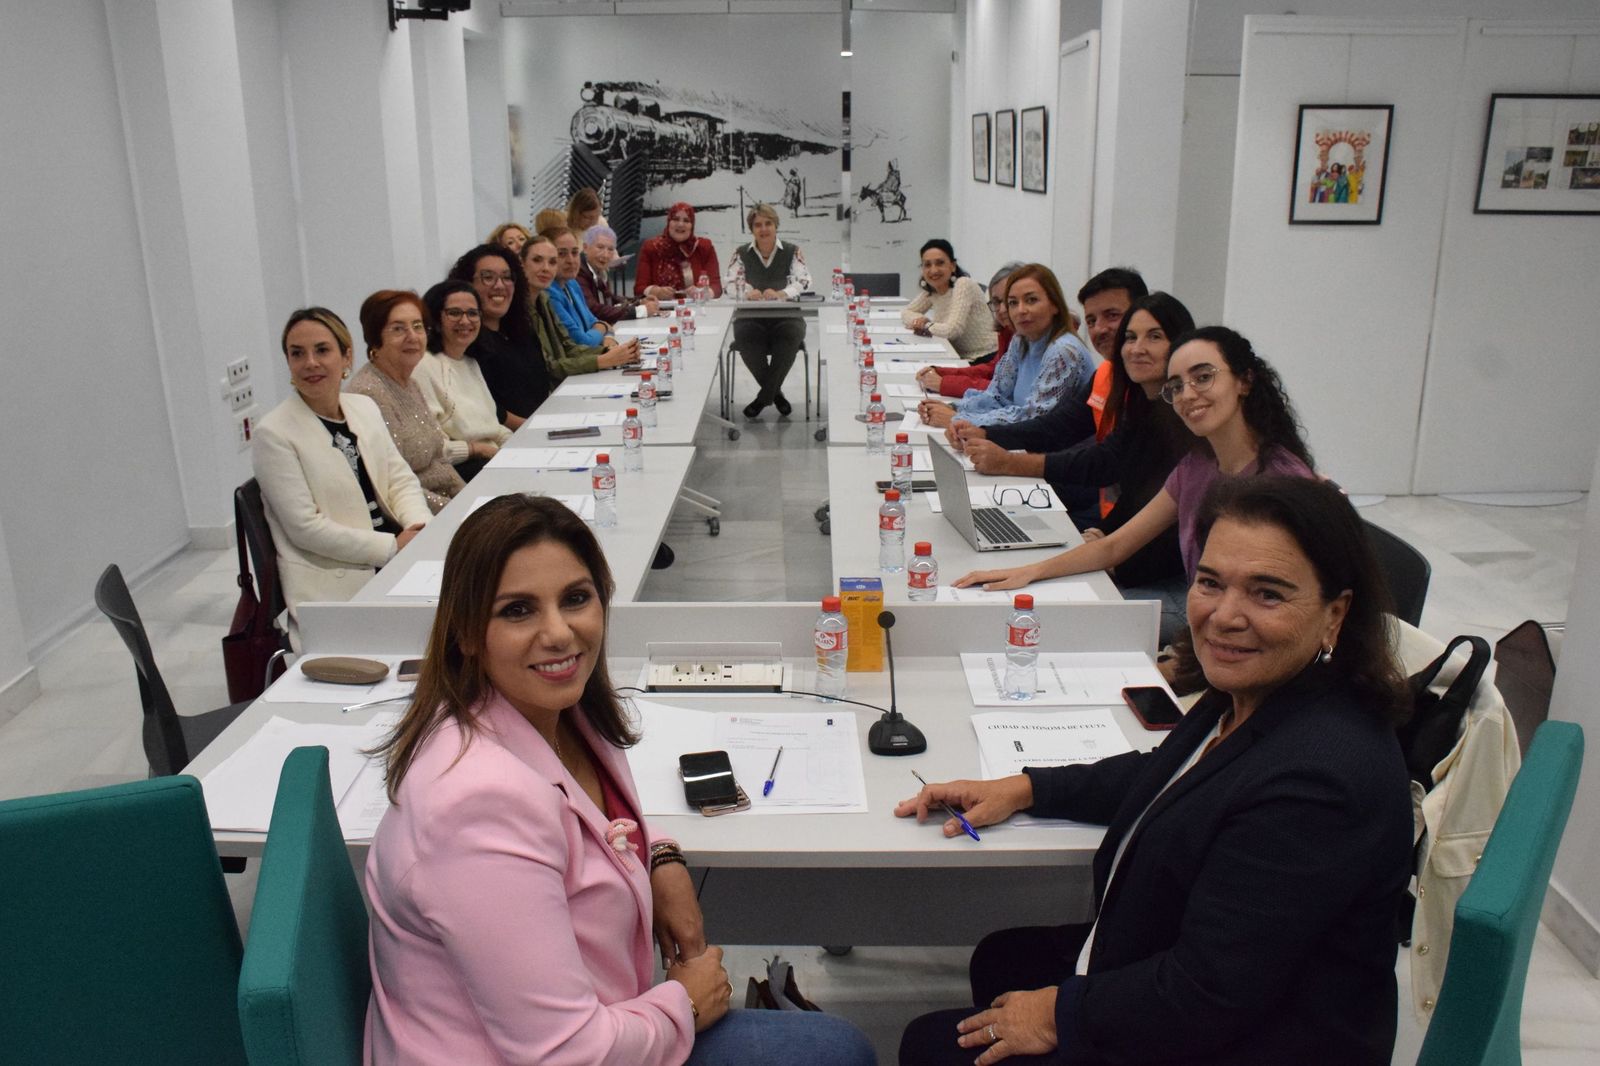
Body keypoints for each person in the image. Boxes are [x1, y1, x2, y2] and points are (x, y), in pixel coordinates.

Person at [897, 476, 1414, 1066]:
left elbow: (1206, 993)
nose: (1224, 616)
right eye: (1211, 583)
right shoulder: (1263, 688)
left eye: (1267, 594)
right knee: (1003, 958)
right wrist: (1028, 787)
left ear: (1334, 614)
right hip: (1209, 984)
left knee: (929, 1046)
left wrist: (1059, 1014)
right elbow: (1173, 772)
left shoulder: (1320, 783)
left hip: (1249, 1037)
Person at [364, 494, 877, 1066]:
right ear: (464, 631)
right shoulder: (475, 805)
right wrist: (684, 1004)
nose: (559, 633)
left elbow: (588, 820)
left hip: (587, 1021)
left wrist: (660, 856)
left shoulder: (557, 711)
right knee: (838, 1052)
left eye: (576, 599)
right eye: (517, 610)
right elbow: (565, 1054)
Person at [955, 325, 1317, 596]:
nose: (1188, 395)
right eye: (1176, 386)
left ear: (1245, 381)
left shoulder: (1282, 483)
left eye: (1203, 377)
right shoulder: (1197, 467)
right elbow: (1116, 546)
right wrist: (1030, 572)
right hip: (1208, 621)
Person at [253, 308, 430, 624]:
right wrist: (392, 546)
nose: (310, 363)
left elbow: (399, 479)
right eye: (297, 354)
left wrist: (417, 527)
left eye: (322, 350)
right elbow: (306, 529)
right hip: (337, 578)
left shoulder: (362, 407)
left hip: (395, 554)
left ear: (346, 357)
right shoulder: (274, 433)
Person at [916, 264, 1091, 430]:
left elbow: (1033, 419)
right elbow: (997, 396)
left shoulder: (1063, 351)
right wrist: (955, 408)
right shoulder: (1020, 340)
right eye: (1013, 303)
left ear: (1055, 305)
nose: (1020, 310)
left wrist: (957, 420)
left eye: (1031, 300)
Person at [347, 290, 466, 513]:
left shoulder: (411, 384)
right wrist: (456, 512)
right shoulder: (368, 394)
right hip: (417, 516)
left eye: (418, 326)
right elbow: (392, 487)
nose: (412, 336)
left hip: (447, 505)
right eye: (398, 329)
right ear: (375, 338)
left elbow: (440, 460)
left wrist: (469, 499)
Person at [413, 280, 509, 483]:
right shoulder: (423, 366)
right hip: (463, 470)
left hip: (492, 457)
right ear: (436, 319)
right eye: (455, 313)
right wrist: (477, 449)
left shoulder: (470, 362)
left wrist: (516, 446)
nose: (465, 321)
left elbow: (492, 425)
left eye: (472, 313)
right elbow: (433, 447)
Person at [446, 244, 549, 429]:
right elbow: (487, 408)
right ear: (467, 285)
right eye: (488, 277)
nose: (500, 285)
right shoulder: (465, 341)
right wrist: (534, 428)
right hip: (509, 438)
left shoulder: (523, 331)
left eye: (507, 277)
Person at [724, 202, 812, 419]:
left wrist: (783, 293)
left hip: (786, 316)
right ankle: (775, 395)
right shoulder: (741, 253)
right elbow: (729, 282)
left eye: (768, 223)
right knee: (746, 339)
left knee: (790, 337)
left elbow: (804, 280)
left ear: (776, 226)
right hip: (751, 317)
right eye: (758, 225)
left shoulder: (793, 251)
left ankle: (763, 398)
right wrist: (746, 291)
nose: (763, 229)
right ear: (752, 229)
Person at [521, 231, 640, 381]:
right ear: (521, 263)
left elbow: (571, 344)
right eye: (537, 260)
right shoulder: (544, 297)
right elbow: (551, 365)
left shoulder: (552, 294)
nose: (546, 268)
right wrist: (604, 358)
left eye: (552, 262)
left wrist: (610, 351)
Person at [915, 261, 1022, 399]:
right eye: (996, 302)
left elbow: (1005, 391)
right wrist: (941, 372)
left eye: (1011, 301)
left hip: (978, 356)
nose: (1002, 309)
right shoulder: (1008, 331)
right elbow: (994, 369)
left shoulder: (963, 285)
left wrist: (944, 383)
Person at [899, 239, 996, 362]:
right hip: (955, 356)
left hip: (982, 359)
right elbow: (906, 312)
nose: (933, 270)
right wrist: (919, 321)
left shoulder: (963, 284)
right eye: (927, 265)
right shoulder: (933, 291)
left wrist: (926, 325)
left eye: (940, 263)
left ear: (953, 266)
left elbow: (952, 330)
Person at [635, 202, 722, 301]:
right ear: (668, 222)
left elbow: (717, 288)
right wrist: (655, 291)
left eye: (686, 220)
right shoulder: (651, 247)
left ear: (692, 225)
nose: (680, 224)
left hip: (695, 309)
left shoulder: (704, 247)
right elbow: (639, 289)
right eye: (676, 219)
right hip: (660, 310)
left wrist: (703, 293)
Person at [545, 227, 614, 347]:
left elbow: (593, 321)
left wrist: (606, 335)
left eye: (575, 252)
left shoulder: (572, 283)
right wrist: (603, 328)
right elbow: (582, 342)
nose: (571, 260)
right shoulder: (548, 293)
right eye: (561, 254)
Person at [580, 225, 658, 323]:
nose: (605, 255)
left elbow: (611, 299)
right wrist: (640, 311)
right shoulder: (578, 273)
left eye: (610, 249)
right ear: (585, 248)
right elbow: (594, 309)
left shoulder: (598, 270)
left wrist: (639, 302)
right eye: (600, 247)